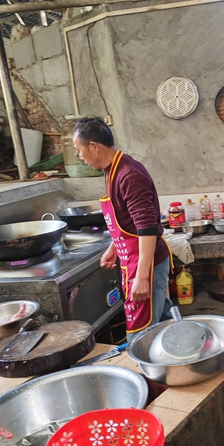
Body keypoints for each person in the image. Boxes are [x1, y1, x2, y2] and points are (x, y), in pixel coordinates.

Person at [72, 117, 172, 343]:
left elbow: (147, 228)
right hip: (135, 260)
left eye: (79, 150)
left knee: (141, 336)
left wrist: (142, 277)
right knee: (163, 323)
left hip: (146, 264)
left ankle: (148, 374)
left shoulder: (129, 175)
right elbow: (127, 220)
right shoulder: (112, 170)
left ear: (94, 146)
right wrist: (114, 247)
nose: (80, 157)